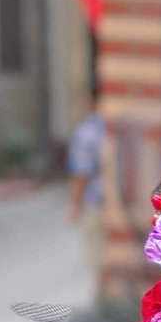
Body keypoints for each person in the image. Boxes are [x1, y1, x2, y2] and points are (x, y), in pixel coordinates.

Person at [67, 91, 105, 269]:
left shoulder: (87, 131)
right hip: (121, 201)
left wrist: (75, 204)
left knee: (99, 259)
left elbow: (81, 171)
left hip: (95, 201)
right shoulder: (114, 125)